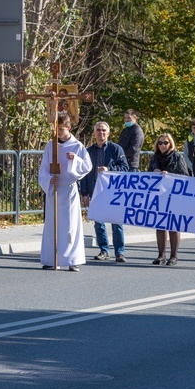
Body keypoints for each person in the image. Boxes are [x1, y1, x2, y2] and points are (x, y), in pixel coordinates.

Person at [39, 113, 92, 271]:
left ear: (68, 128)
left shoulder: (77, 146)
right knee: (52, 225)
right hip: (54, 188)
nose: (58, 132)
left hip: (69, 189)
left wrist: (75, 159)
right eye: (56, 129)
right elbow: (43, 170)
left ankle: (72, 260)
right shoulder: (51, 145)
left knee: (70, 226)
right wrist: (49, 179)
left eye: (61, 129)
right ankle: (50, 258)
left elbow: (87, 166)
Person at [80, 121, 129, 262]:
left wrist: (109, 170)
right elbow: (84, 173)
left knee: (117, 223)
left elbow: (125, 169)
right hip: (96, 192)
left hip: (114, 193)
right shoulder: (88, 151)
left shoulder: (116, 149)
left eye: (103, 130)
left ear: (108, 133)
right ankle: (104, 250)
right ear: (94, 133)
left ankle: (119, 252)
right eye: (98, 130)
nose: (101, 133)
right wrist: (84, 193)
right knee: (99, 223)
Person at [148, 133, 190, 266]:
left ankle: (173, 256)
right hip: (158, 196)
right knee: (160, 226)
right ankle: (161, 255)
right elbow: (146, 176)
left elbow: (185, 175)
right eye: (160, 143)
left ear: (170, 143)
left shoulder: (177, 157)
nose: (162, 145)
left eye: (165, 143)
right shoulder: (154, 157)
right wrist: (152, 173)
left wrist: (170, 175)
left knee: (173, 226)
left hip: (174, 196)